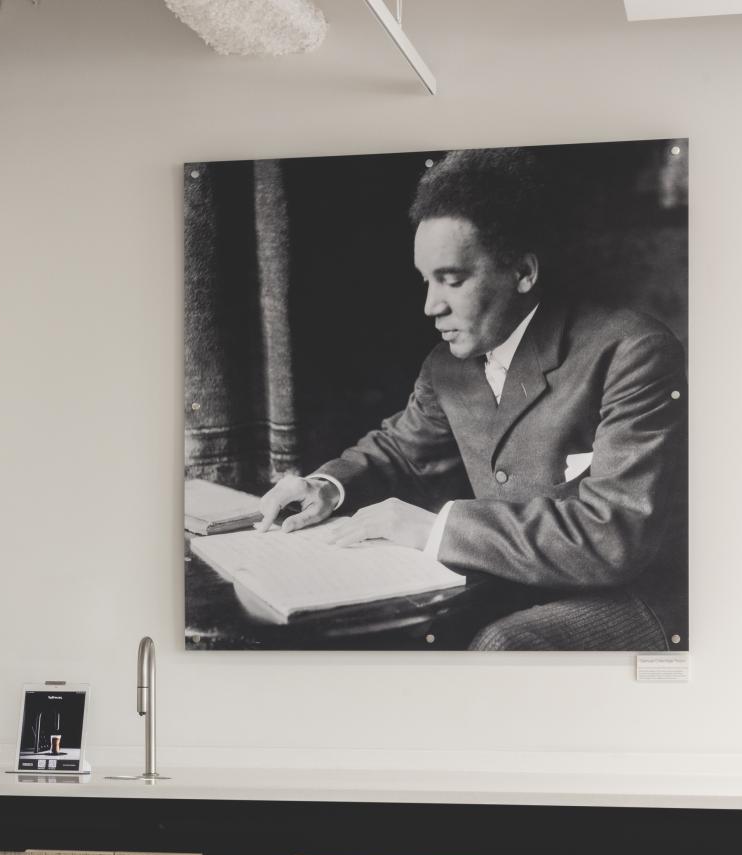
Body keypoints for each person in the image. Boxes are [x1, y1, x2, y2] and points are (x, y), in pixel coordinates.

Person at [255, 148, 688, 651]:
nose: (430, 306)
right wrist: (328, 485)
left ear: (523, 272)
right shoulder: (448, 366)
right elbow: (399, 450)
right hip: (519, 581)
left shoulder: (631, 350)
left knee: (502, 646)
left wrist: (436, 527)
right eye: (426, 281)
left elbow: (616, 535)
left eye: (452, 279)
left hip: (639, 595)